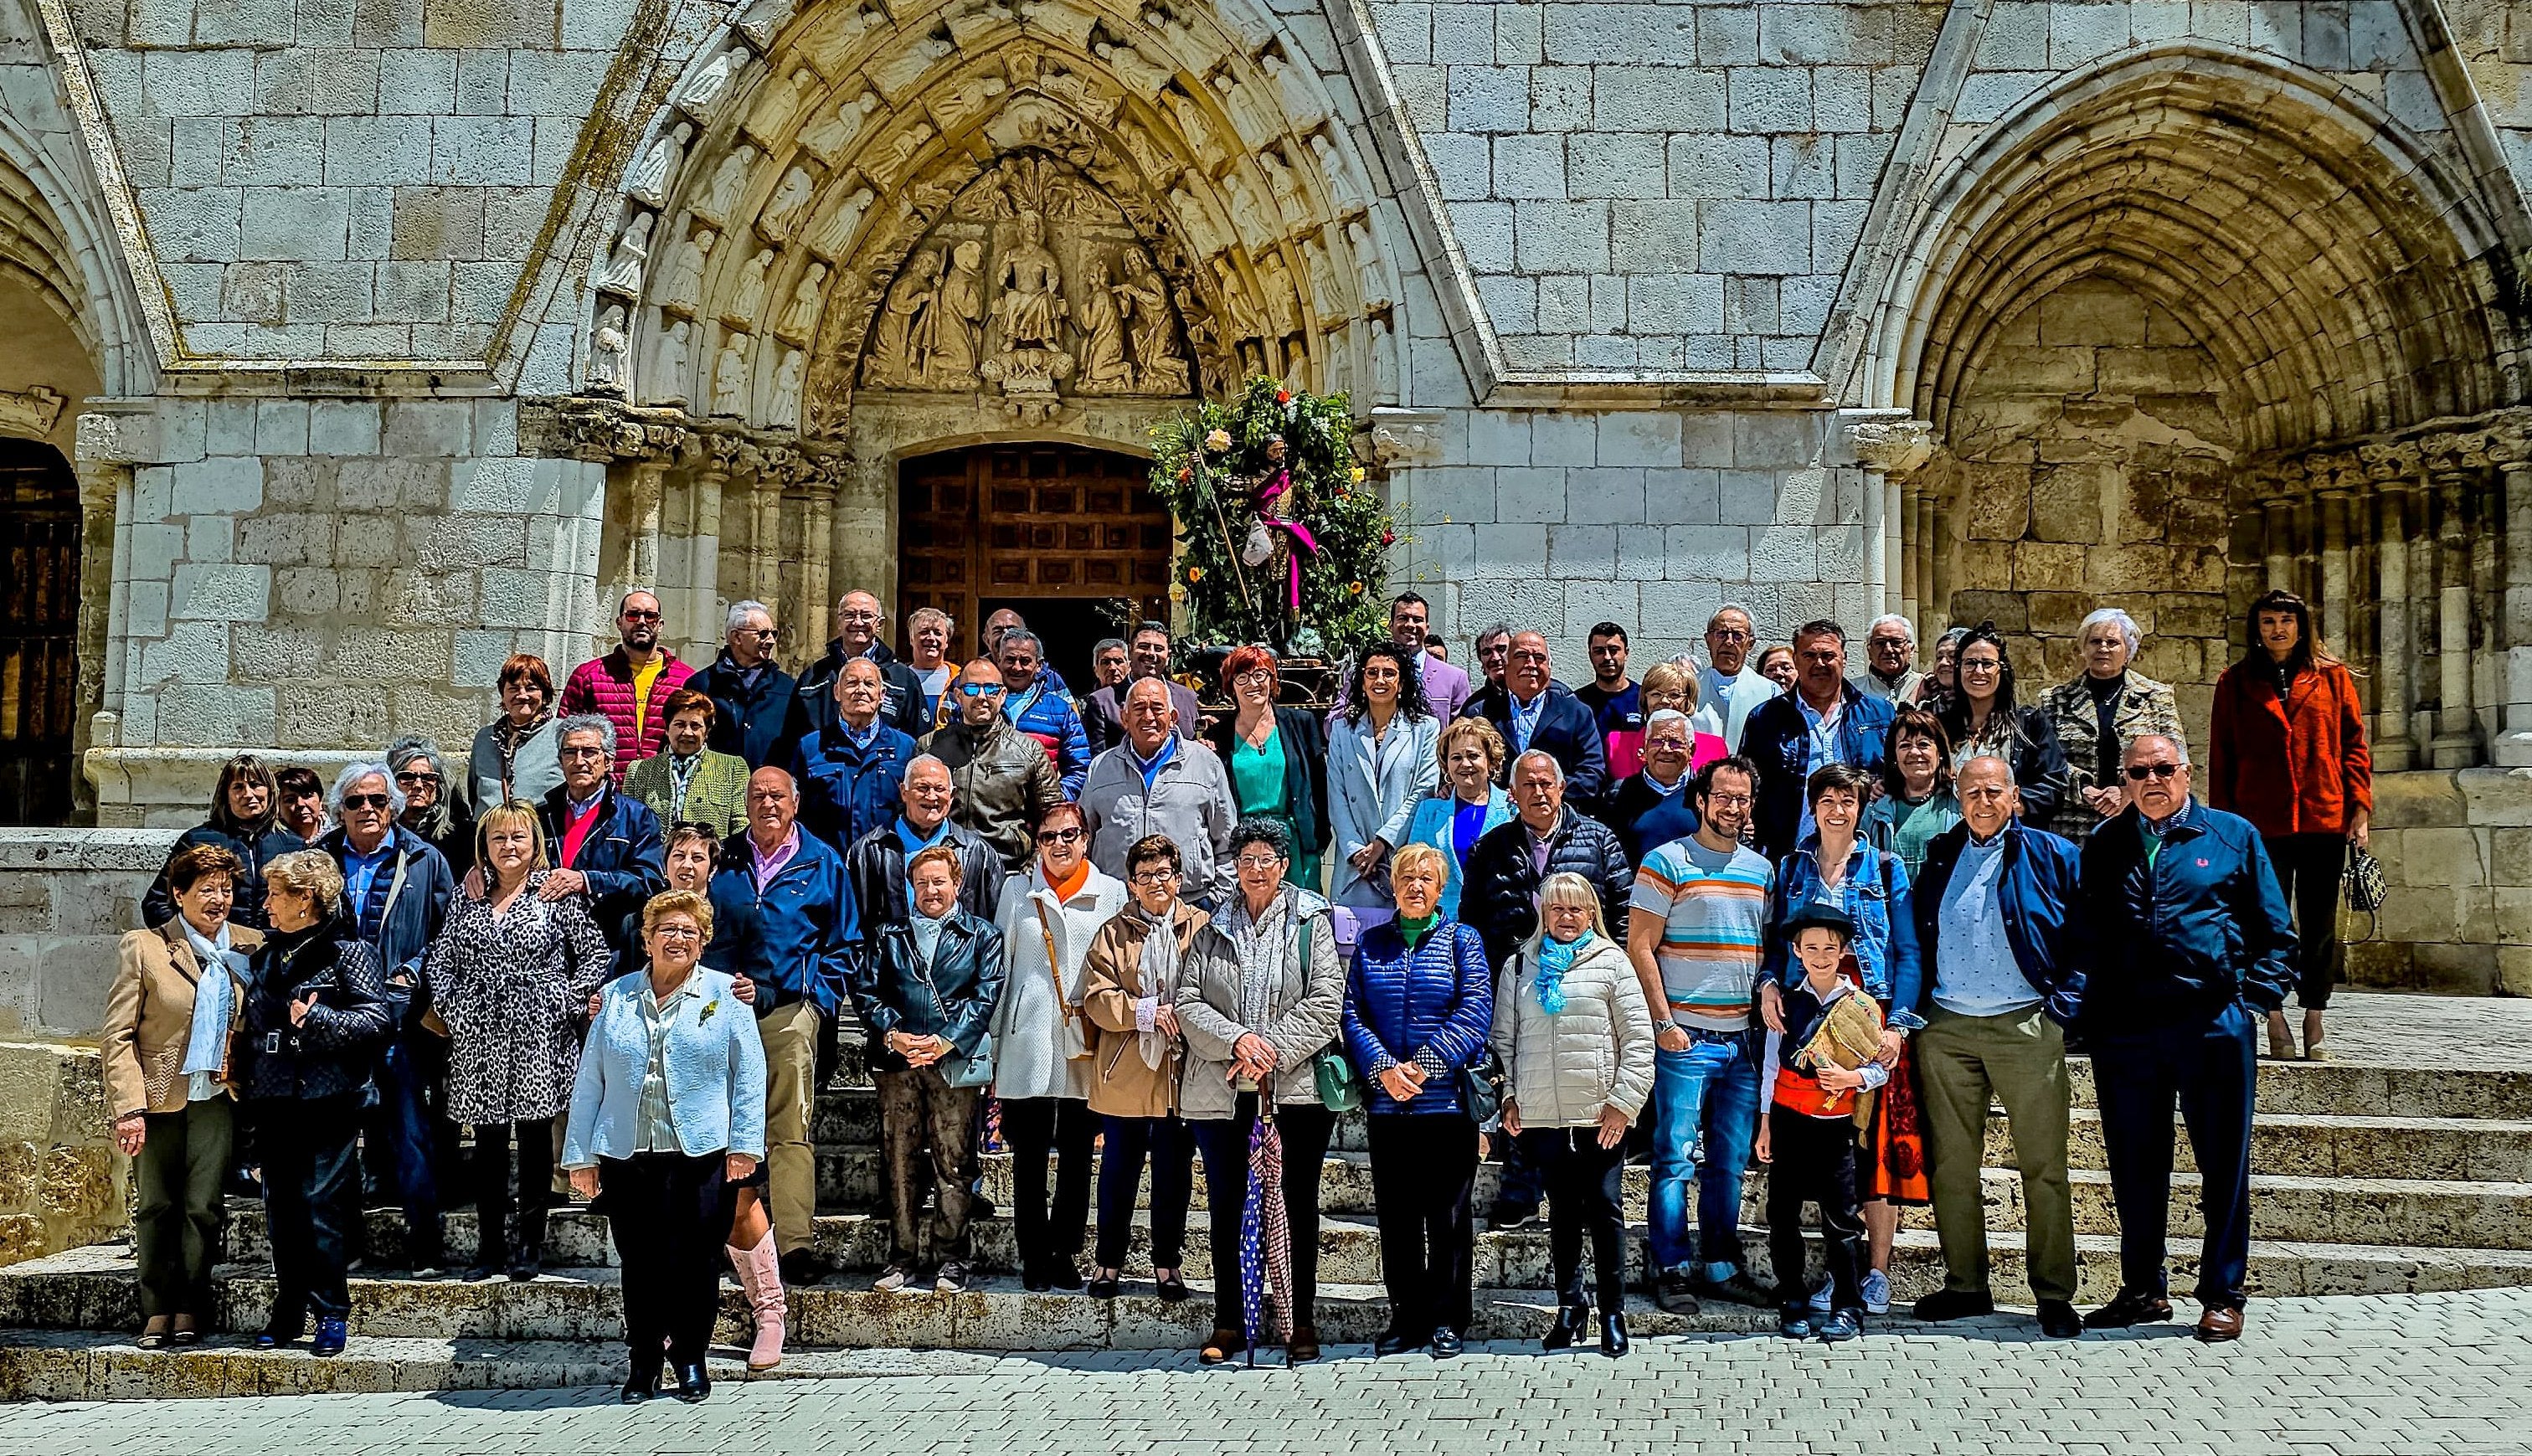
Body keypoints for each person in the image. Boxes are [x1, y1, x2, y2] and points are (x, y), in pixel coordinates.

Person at [2077, 733, 2295, 1342]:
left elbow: (2276, 933)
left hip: (2212, 1027)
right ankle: (2143, 1288)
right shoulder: (2105, 844)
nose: (2152, 779)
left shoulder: (2231, 836)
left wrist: (2251, 999)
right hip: (2128, 1032)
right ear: (2123, 779)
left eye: (2163, 768)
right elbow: (2086, 933)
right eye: (2138, 771)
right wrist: (2087, 1013)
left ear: (2186, 772)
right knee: (2134, 1164)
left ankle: (2222, 1292)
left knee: (2223, 1163)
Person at [1904, 756, 2086, 1338]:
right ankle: (1966, 1285)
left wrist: (2062, 1008)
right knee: (1952, 1165)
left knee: (2044, 1166)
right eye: (1971, 791)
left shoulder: (2052, 854)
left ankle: (2054, 1293)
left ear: (2015, 796)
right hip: (1948, 1026)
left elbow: (2090, 935)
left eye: (1993, 790)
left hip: (2025, 1026)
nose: (1983, 800)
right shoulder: (1939, 854)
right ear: (1956, 797)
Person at [563, 891, 767, 1403]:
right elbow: (591, 1081)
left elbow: (749, 1076)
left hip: (702, 1154)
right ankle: (644, 1360)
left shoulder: (725, 997)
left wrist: (744, 1145)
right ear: (647, 939)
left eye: (689, 932)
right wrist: (580, 1155)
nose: (678, 939)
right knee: (640, 1261)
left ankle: (692, 1357)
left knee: (697, 1261)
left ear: (703, 943)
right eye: (667, 930)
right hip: (629, 1154)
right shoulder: (615, 998)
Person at [421, 800, 612, 1283]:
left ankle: (529, 1243)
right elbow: (441, 958)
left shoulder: (556, 897)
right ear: (484, 846)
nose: (509, 846)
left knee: (532, 1143)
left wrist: (569, 999)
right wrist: (453, 1007)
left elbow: (595, 952)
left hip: (539, 1036)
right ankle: (488, 1246)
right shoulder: (468, 898)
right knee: (486, 1146)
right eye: (499, 838)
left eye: (518, 837)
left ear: (535, 844)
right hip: (479, 1035)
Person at [1176, 818, 1344, 1365]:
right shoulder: (1211, 925)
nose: (1254, 869)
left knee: (1296, 1204)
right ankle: (1230, 1320)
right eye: (1244, 859)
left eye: (1265, 859)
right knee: (1227, 1205)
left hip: (1294, 1090)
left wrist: (1269, 1046)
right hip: (1222, 1089)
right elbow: (1188, 1000)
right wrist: (1239, 1040)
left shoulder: (1311, 919)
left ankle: (1299, 1320)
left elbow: (1325, 1000)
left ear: (1284, 864)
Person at [1760, 762, 1924, 1315]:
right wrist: (1767, 985)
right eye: (1826, 799)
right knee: (1832, 1155)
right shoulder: (1791, 865)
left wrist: (1899, 1023)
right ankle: (1839, 1272)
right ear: (1813, 807)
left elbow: (1907, 948)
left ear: (1860, 807)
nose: (1836, 809)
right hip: (1809, 1015)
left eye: (1847, 800)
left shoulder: (1884, 864)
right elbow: (1776, 940)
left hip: (1868, 1018)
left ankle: (1873, 1273)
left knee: (1872, 1151)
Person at [1625, 754, 1773, 1313]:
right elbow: (1639, 945)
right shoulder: (1666, 861)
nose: (1733, 807)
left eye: (1743, 798)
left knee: (1728, 1160)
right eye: (1723, 796)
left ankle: (1719, 1263)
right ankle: (1670, 1266)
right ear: (1701, 799)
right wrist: (1663, 1023)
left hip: (1742, 1042)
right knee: (1674, 1157)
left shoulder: (1761, 869)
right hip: (1684, 1036)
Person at [1459, 749, 1629, 1231]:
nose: (1539, 792)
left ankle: (1578, 1192)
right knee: (1518, 1079)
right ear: (1511, 795)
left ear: (1562, 788)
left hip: (1585, 983)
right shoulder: (1490, 849)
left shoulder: (1598, 841)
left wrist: (1609, 967)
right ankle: (1520, 1190)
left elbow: (1618, 912)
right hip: (1515, 982)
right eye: (1528, 785)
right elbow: (1472, 922)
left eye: (1546, 783)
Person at [233, 850, 392, 1358]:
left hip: (328, 1099)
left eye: (278, 894)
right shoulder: (265, 955)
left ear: (308, 900)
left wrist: (320, 1021)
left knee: (322, 1206)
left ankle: (330, 1312)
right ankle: (289, 1306)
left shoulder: (347, 952)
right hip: (275, 1098)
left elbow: (378, 1020)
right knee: (281, 1210)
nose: (267, 904)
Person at [2207, 588, 2371, 1063]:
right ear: (2255, 630)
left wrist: (2359, 807)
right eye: (2267, 622)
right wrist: (2224, 824)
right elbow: (2223, 755)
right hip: (2260, 823)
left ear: (2301, 626)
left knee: (2320, 923)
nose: (2277, 629)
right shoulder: (2234, 681)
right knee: (2267, 922)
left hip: (2323, 815)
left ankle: (2315, 1011)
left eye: (2285, 620)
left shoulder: (2333, 678)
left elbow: (2354, 745)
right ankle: (2274, 1014)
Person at [1493, 870, 1653, 1357]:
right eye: (1556, 908)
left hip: (1599, 1114)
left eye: (1576, 909)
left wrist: (1623, 1105)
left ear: (1592, 914)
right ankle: (1570, 1306)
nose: (1566, 917)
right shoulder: (1521, 965)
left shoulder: (1613, 963)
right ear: (1543, 912)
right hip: (1542, 1114)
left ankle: (1612, 1311)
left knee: (1605, 1210)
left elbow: (1639, 1041)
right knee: (1560, 1212)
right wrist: (1510, 1097)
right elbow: (1505, 1042)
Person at [105, 845, 259, 1347]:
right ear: (178, 894)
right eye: (206, 890)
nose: (218, 899)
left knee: (203, 1206)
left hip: (217, 1095)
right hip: (158, 1097)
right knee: (155, 1205)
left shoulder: (251, 946)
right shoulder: (145, 947)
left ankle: (191, 1304)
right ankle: (156, 1308)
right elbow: (119, 1034)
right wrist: (128, 1107)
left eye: (226, 889)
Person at [1344, 842, 1492, 1359]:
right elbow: (1353, 1015)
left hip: (1445, 1107)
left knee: (1448, 1217)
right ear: (1393, 884)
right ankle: (1406, 1316)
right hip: (1389, 1107)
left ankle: (1448, 1317)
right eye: (1406, 876)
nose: (1415, 886)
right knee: (1397, 1216)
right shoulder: (1370, 945)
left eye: (1426, 878)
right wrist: (1384, 1069)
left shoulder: (1461, 941)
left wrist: (1424, 1067)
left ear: (1441, 888)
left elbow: (1474, 1012)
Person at [712, 766, 852, 1284]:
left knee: (789, 1126)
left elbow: (845, 944)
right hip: (719, 1013)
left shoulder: (823, 862)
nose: (767, 802)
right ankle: (722, 1238)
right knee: (715, 1127)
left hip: (787, 1012)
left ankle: (794, 1242)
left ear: (796, 803)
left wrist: (816, 997)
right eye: (757, 794)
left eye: (777, 795)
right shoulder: (724, 857)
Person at [322, 761, 456, 1277]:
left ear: (394, 806)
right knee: (338, 1136)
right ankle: (346, 1245)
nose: (368, 810)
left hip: (400, 1014)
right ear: (340, 810)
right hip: (338, 1018)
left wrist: (414, 970)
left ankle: (425, 1245)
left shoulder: (425, 859)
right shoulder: (320, 860)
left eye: (378, 801)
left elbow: (449, 932)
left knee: (409, 1128)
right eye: (355, 802)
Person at [852, 844, 1004, 1296]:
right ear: (909, 886)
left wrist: (945, 1041)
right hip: (898, 1063)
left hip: (952, 1064)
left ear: (957, 884)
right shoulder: (888, 934)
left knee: (954, 1162)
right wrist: (892, 1033)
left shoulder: (982, 935)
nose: (931, 890)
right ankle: (902, 1258)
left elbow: (986, 994)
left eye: (940, 881)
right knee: (899, 1161)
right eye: (922, 882)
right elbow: (865, 989)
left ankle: (952, 1257)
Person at [991, 800, 1126, 1290]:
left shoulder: (1110, 893)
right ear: (1037, 842)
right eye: (1049, 837)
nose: (1060, 845)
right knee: (1027, 1153)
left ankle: (1065, 1250)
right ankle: (1032, 1253)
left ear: (1085, 839)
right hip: (1026, 1032)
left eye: (1069, 834)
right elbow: (1002, 968)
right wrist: (993, 1043)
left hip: (1085, 1040)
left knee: (1076, 1152)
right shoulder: (1017, 890)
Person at [1078, 834, 1203, 1303]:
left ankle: (1168, 1264)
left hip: (1179, 1070)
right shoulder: (1113, 932)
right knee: (1118, 1170)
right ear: (1131, 883)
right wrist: (1145, 1012)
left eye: (1163, 873)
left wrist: (1186, 1016)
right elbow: (1096, 997)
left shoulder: (1201, 927)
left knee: (1174, 1172)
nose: (1155, 883)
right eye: (1145, 876)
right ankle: (1108, 1261)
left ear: (1179, 878)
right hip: (1125, 1067)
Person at [1757, 905, 1879, 1343]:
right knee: (1782, 1214)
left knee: (1842, 1219)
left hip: (1835, 1125)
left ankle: (1848, 1306)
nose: (1821, 955)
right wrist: (1766, 1123)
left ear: (1843, 951)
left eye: (1830, 947)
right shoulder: (1787, 1003)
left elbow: (1880, 1068)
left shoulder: (1862, 1007)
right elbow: (1771, 1065)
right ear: (1796, 951)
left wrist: (1852, 1079)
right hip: (1789, 1120)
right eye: (1811, 948)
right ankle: (1792, 1298)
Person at [1742, 620, 1896, 861]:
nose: (1819, 663)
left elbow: (1899, 777)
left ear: (1844, 658)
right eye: (1810, 655)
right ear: (1796, 659)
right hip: (1789, 857)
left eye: (1828, 655)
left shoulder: (1881, 715)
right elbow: (1749, 784)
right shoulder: (1764, 719)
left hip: (1864, 856)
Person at [536, 716, 669, 973]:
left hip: (609, 948)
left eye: (589, 752)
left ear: (608, 761)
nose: (579, 761)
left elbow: (649, 881)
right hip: (546, 950)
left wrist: (587, 881)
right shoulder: (541, 815)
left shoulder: (637, 818)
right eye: (570, 752)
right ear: (560, 760)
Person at [1079, 676, 1238, 891]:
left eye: (1157, 708)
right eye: (1139, 708)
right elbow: (1084, 838)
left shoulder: (1205, 763)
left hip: (1189, 904)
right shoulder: (1101, 768)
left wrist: (1218, 898)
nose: (1148, 716)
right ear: (1124, 718)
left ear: (1173, 717)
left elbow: (1227, 839)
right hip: (1119, 905)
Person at [1327, 642, 1441, 933]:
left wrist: (1383, 843)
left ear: (1401, 683)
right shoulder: (1343, 730)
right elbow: (1337, 795)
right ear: (1361, 681)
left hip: (1400, 855)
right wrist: (1356, 850)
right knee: (1350, 950)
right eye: (1372, 673)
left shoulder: (1425, 728)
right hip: (1356, 863)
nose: (1380, 680)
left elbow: (1424, 790)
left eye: (1389, 674)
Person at [1206, 645, 1331, 891]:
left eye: (1260, 675)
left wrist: (1318, 837)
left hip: (1295, 842)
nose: (1253, 683)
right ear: (1231, 685)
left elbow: (1319, 784)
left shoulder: (1301, 724)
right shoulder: (1218, 735)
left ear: (1272, 680)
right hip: (1243, 846)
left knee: (1302, 919)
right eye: (1242, 677)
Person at [923, 656, 1065, 869]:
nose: (981, 697)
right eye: (971, 689)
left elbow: (1053, 816)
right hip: (943, 867)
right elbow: (910, 810)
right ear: (959, 696)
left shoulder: (1028, 751)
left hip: (1007, 867)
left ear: (1002, 695)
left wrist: (1035, 861)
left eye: (990, 689)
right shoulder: (930, 747)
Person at [845, 755, 1003, 944]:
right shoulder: (869, 851)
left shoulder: (978, 853)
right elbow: (853, 928)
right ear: (904, 792)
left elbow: (994, 926)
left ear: (952, 796)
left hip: (959, 969)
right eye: (923, 788)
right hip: (889, 967)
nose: (932, 796)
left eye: (940, 789)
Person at [142, 752, 300, 930]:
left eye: (256, 785)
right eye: (238, 787)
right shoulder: (197, 842)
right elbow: (157, 903)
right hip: (213, 950)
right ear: (226, 794)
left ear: (271, 791)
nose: (248, 794)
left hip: (276, 952)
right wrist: (196, 941)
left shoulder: (294, 845)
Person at [1938, 625, 2069, 826]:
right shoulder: (1940, 726)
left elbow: (2054, 783)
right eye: (1970, 663)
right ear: (1959, 669)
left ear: (2002, 669)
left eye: (1987, 663)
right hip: (1951, 839)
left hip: (2011, 839)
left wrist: (2009, 805)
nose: (1978, 671)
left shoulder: (2029, 724)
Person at [558, 589, 696, 779]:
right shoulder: (588, 676)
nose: (641, 621)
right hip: (605, 792)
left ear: (660, 624)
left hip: (665, 791)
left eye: (650, 616)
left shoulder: (686, 679)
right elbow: (564, 737)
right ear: (619, 623)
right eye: (633, 615)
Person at [1465, 630, 1608, 810]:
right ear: (1506, 665)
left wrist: (1546, 793)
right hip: (1494, 820)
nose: (1531, 664)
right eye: (1522, 656)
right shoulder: (1480, 714)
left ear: (1550, 666)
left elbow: (1592, 774)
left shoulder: (1577, 712)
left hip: (1559, 818)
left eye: (1539, 657)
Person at [790, 657, 919, 852]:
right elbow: (796, 812)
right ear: (837, 692)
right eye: (851, 683)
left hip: (885, 865)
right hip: (828, 865)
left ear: (882, 694)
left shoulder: (906, 748)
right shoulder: (810, 747)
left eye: (869, 684)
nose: (860, 690)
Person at [1400, 716, 1513, 921]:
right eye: (1456, 757)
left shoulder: (1512, 808)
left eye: (1473, 755)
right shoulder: (1429, 811)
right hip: (1441, 924)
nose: (1465, 764)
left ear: (1490, 762)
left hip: (1498, 925)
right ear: (1447, 765)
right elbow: (1413, 869)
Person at [785, 589, 929, 749]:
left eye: (866, 616)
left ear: (879, 624)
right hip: (824, 767)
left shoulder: (903, 678)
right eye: (849, 615)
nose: (858, 622)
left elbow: (919, 741)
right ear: (839, 622)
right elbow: (791, 739)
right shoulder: (814, 676)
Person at [623, 688, 750, 841]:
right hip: (653, 862)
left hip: (713, 862)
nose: (687, 732)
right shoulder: (639, 771)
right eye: (680, 724)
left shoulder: (732, 768)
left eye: (695, 726)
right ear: (667, 728)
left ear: (707, 731)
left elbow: (741, 824)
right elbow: (627, 825)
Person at [689, 600, 796, 769]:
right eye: (762, 634)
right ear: (736, 637)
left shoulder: (787, 687)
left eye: (773, 634)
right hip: (718, 786)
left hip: (768, 790)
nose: (771, 641)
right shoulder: (702, 684)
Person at [1862, 706, 1963, 878]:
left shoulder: (1960, 802)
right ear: (1894, 756)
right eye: (1905, 745)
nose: (1915, 752)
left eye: (1923, 744)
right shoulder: (1876, 809)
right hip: (1893, 904)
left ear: (1940, 753)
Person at [1081, 620, 1205, 757]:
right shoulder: (1103, 702)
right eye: (1144, 646)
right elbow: (1096, 759)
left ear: (1168, 656)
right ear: (1130, 651)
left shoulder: (1187, 697)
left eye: (1158, 649)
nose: (1151, 653)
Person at [996, 629, 1093, 799]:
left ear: (1039, 665)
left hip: (1041, 816)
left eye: (1025, 661)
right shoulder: (982, 704)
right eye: (1010, 659)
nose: (1016, 667)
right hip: (988, 815)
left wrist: (1055, 800)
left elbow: (1079, 766)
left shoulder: (1060, 710)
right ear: (999, 660)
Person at [1603, 708, 1705, 865]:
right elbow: (1611, 857)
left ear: (1691, 751)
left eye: (1675, 742)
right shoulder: (1620, 792)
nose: (1665, 749)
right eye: (1657, 741)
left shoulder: (1706, 793)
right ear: (1645, 747)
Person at [470, 653, 564, 810]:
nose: (522, 695)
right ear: (503, 694)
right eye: (513, 688)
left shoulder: (561, 734)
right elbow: (474, 793)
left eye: (531, 688)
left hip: (541, 832)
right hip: (489, 832)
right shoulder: (484, 738)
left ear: (545, 693)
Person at [389, 736, 477, 882]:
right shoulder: (381, 834)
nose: (418, 785)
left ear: (438, 786)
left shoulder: (462, 836)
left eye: (428, 778)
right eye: (407, 777)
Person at [1698, 605, 1774, 749]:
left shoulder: (1770, 692)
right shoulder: (1688, 689)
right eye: (1721, 634)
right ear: (1708, 640)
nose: (1729, 642)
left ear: (1750, 644)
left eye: (1738, 636)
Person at [1577, 621, 1644, 780]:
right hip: (1589, 793)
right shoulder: (1576, 702)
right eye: (1599, 651)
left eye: (1614, 650)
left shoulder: (1645, 698)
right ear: (1590, 655)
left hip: (1633, 792)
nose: (1607, 657)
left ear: (1626, 653)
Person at [905, 606, 957, 725]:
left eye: (938, 633)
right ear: (911, 638)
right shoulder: (898, 678)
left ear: (947, 641)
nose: (931, 638)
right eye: (924, 632)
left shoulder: (959, 678)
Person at [1858, 614, 1924, 702]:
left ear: (1911, 650)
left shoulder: (1925, 686)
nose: (1888, 649)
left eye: (1896, 642)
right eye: (1880, 643)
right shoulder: (1851, 691)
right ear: (1869, 651)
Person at [276, 765, 330, 844]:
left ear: (320, 801)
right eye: (290, 800)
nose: (300, 804)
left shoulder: (341, 839)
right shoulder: (272, 843)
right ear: (278, 808)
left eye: (307, 796)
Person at [1919, 627, 1967, 708]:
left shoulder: (1984, 705)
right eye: (1939, 657)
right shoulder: (1927, 708)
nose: (1943, 662)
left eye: (1952, 656)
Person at [1472, 624, 1514, 692]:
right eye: (1487, 652)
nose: (1495, 658)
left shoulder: (1535, 698)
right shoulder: (1473, 702)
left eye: (1501, 649)